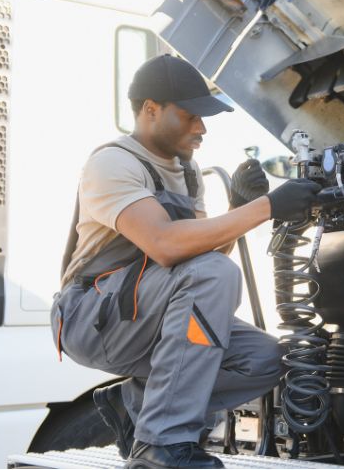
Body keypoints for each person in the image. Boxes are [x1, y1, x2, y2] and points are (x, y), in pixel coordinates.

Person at [51, 54, 320, 469]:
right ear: (150, 110)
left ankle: (134, 403)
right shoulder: (113, 163)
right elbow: (164, 244)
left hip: (144, 313)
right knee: (214, 274)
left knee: (264, 360)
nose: (202, 128)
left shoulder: (187, 171)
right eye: (191, 115)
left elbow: (203, 259)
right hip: (91, 318)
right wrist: (265, 208)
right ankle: (162, 443)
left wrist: (237, 207)